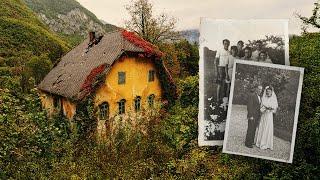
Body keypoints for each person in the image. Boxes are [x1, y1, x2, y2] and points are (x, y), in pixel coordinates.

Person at [255, 86, 278, 150]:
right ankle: (260, 142)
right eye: (267, 92)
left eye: (269, 92)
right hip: (264, 115)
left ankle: (266, 144)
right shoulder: (263, 98)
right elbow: (261, 106)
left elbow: (275, 107)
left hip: (269, 115)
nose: (268, 93)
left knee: (267, 127)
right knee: (262, 126)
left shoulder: (273, 99)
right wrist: (264, 108)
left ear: (271, 92)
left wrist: (271, 108)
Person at [215, 39, 230, 104]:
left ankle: (224, 99)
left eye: (227, 43)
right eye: (225, 43)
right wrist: (216, 71)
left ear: (229, 44)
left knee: (226, 84)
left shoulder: (229, 52)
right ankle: (218, 99)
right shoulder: (219, 50)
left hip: (227, 69)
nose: (226, 45)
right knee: (220, 84)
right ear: (223, 44)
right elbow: (216, 61)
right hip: (221, 68)